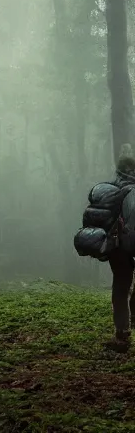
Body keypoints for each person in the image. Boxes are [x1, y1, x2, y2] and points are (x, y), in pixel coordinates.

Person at [102, 144, 135, 352]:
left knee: (121, 288)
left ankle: (122, 336)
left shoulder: (112, 190)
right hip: (127, 245)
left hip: (119, 248)